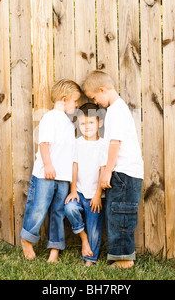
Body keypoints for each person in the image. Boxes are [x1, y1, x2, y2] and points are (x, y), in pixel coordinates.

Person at [81, 70, 144, 269]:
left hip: (124, 172)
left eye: (94, 97)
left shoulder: (117, 110)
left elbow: (115, 143)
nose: (96, 102)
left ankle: (124, 259)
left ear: (103, 90)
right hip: (122, 173)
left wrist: (107, 171)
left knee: (121, 215)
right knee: (116, 213)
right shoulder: (117, 109)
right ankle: (119, 256)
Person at [20, 79, 81, 262]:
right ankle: (27, 238)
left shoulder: (70, 124)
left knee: (58, 212)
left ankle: (55, 249)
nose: (77, 105)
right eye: (75, 101)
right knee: (38, 208)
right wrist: (48, 165)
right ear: (64, 99)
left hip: (63, 177)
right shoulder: (50, 118)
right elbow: (44, 143)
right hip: (45, 175)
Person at [64, 103, 107, 266]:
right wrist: (73, 190)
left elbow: (103, 171)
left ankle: (90, 259)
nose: (86, 127)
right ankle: (84, 239)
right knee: (70, 208)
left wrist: (97, 195)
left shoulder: (103, 145)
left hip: (96, 195)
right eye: (82, 123)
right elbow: (74, 166)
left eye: (91, 123)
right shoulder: (76, 143)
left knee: (94, 228)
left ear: (99, 123)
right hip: (79, 192)